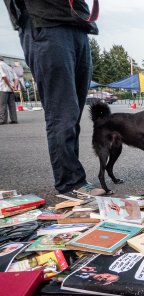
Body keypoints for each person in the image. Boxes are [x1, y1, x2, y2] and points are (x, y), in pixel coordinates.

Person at [4, 0, 105, 195]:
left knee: (72, 114)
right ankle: (70, 183)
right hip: (46, 23)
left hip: (78, 24)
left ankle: (73, 178)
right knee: (63, 113)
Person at [0, 57, 19, 125]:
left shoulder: (0, 65)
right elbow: (16, 78)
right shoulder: (8, 66)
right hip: (11, 89)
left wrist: (9, 86)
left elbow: (4, 77)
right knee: (12, 105)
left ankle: (2, 120)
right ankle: (14, 119)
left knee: (2, 104)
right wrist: (14, 86)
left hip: (3, 88)